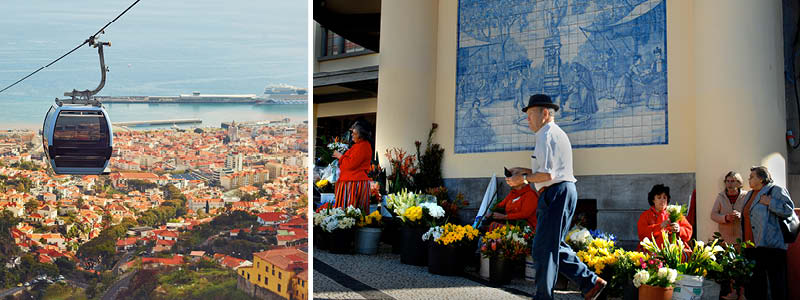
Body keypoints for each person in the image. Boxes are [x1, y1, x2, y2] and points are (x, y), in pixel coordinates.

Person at [507, 94, 606, 300]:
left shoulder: (546, 135)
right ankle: (590, 282)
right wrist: (522, 170)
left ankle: (545, 296)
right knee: (550, 246)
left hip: (556, 193)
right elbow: (547, 170)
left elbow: (548, 175)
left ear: (544, 113)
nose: (527, 119)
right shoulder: (551, 134)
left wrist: (522, 179)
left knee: (544, 248)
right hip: (559, 191)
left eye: (530, 114)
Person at [742, 166, 794, 300]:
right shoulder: (749, 194)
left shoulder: (775, 190)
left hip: (771, 246)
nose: (749, 179)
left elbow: (788, 210)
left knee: (775, 285)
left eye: (752, 177)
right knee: (755, 285)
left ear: (761, 178)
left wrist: (770, 202)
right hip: (751, 247)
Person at [332, 121, 373, 212]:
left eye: (354, 134)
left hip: (354, 183)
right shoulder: (360, 146)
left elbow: (350, 165)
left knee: (349, 212)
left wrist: (340, 156)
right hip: (353, 181)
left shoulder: (362, 146)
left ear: (361, 135)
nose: (352, 136)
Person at [636, 184, 692, 249]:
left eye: (664, 197)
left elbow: (689, 232)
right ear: (653, 200)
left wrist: (679, 230)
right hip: (652, 250)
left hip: (675, 250)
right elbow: (642, 235)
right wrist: (660, 226)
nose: (662, 200)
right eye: (659, 197)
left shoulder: (675, 213)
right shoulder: (645, 215)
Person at [711, 171, 748, 245]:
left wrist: (741, 215)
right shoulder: (721, 197)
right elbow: (713, 215)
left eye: (732, 181)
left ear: (738, 183)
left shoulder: (745, 196)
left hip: (742, 239)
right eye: (727, 181)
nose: (729, 184)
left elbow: (752, 214)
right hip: (725, 239)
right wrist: (725, 218)